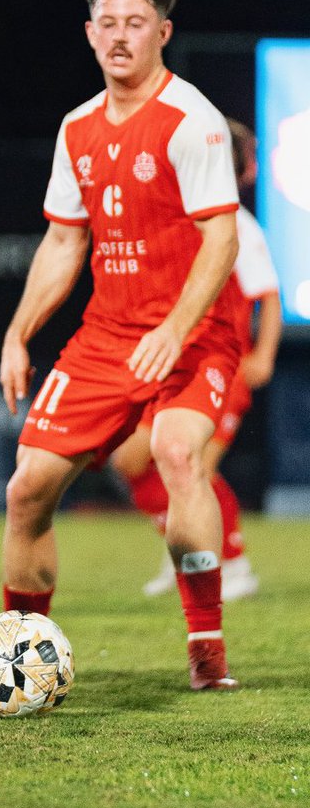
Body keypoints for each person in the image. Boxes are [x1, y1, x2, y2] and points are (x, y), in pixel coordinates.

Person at [0, 0, 243, 692]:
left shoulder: (191, 121)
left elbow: (222, 239)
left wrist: (174, 328)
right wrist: (19, 332)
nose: (119, 36)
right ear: (88, 32)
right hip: (107, 337)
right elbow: (65, 241)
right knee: (25, 490)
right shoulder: (75, 129)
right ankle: (20, 657)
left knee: (174, 450)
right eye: (107, 22)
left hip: (195, 333)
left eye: (135, 23)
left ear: (162, 32)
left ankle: (207, 654)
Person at [112, 119, 282, 599]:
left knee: (193, 466)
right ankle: (184, 552)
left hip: (219, 365)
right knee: (130, 459)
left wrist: (264, 354)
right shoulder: (175, 216)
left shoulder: (237, 226)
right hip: (172, 363)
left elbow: (267, 295)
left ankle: (233, 564)